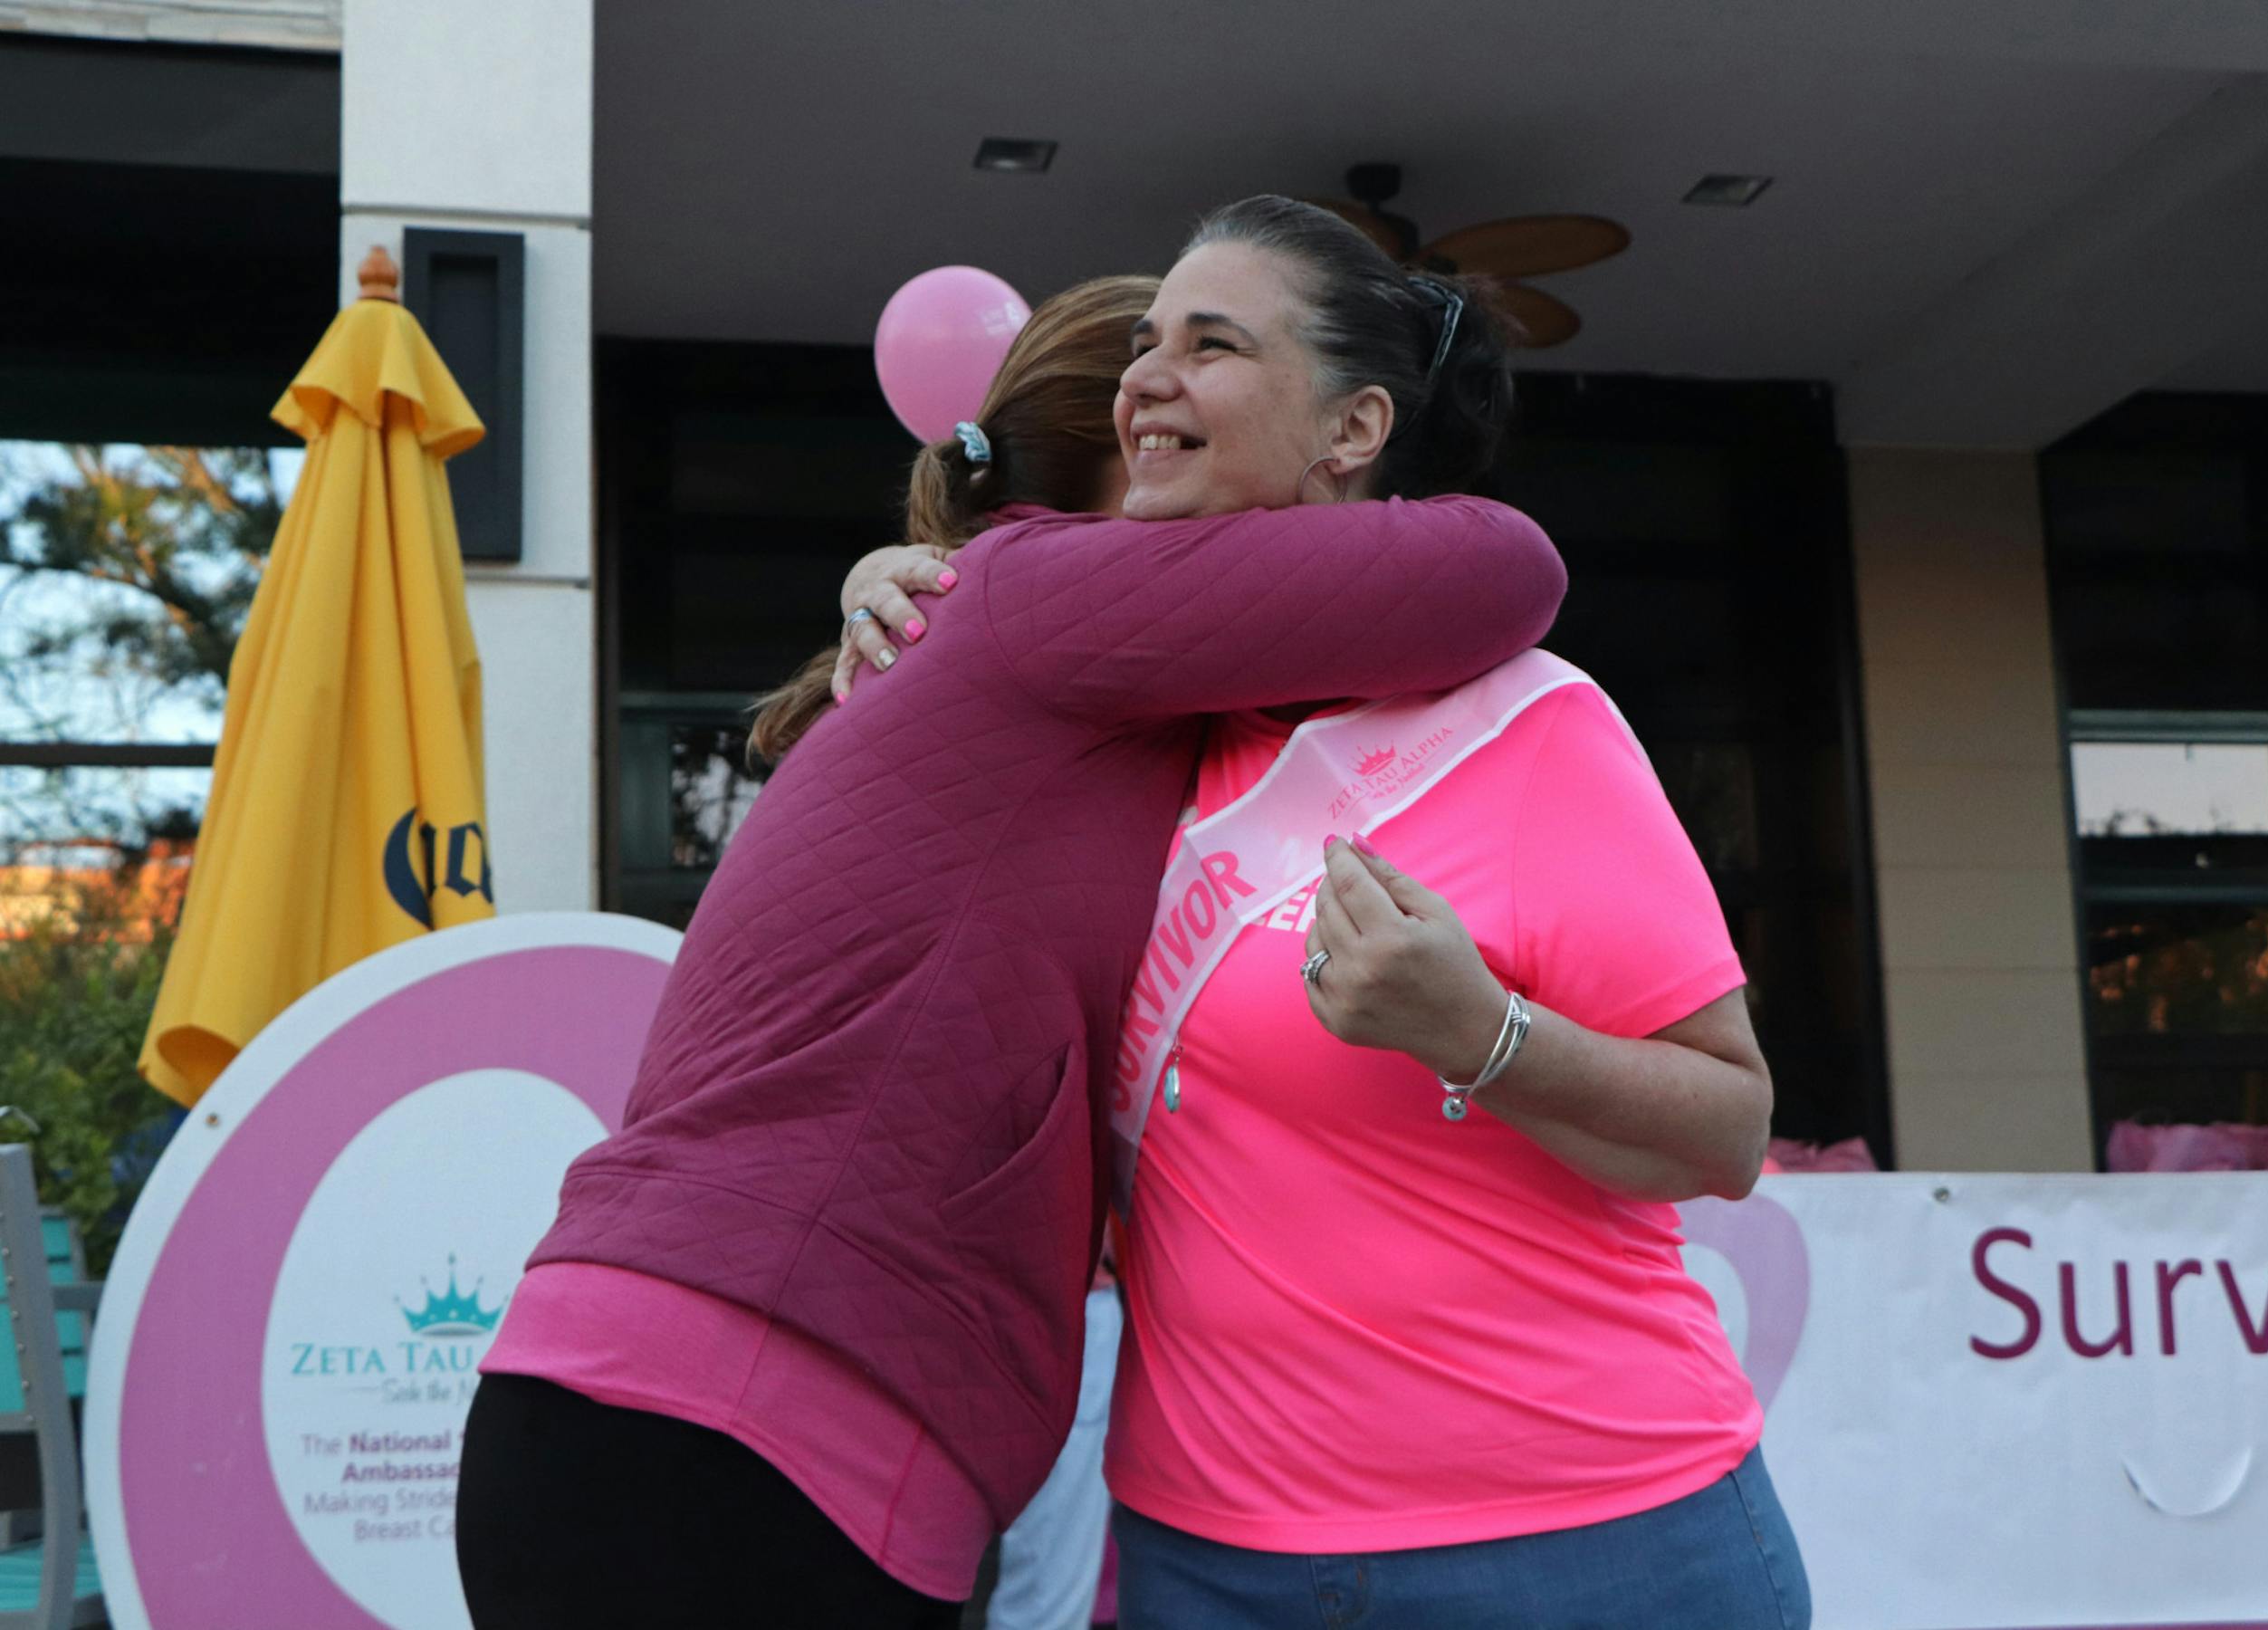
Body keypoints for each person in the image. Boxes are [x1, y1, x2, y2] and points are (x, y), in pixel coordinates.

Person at [452, 243, 1568, 1628]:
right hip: (741, 1434)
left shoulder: (1019, 633)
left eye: (1214, 354)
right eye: (1156, 369)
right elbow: (1500, 565)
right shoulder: (1047, 596)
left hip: (696, 1421)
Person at [832, 196, 1812, 1629]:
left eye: (1210, 344)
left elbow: (1724, 1131)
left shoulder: (1529, 723)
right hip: (1210, 1553)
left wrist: (1479, 1033)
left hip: (1580, 1538)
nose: (1144, 377)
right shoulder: (1124, 727)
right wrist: (900, 582)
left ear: (1353, 429)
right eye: (1146, 342)